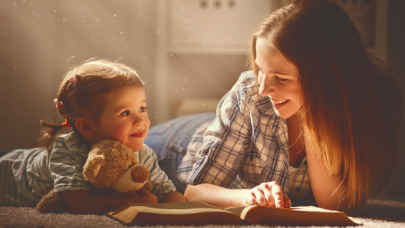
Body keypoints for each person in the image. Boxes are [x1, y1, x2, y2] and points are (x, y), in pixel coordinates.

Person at [145, 0, 402, 214]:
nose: (265, 89)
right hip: (175, 145)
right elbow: (195, 191)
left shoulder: (367, 106)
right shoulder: (250, 93)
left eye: (282, 78)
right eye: (261, 71)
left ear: (327, 79)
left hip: (226, 124)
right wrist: (248, 197)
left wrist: (313, 113)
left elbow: (334, 206)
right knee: (123, 155)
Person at [0, 59, 186, 214]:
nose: (140, 120)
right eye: (125, 113)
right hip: (9, 170)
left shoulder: (144, 154)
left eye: (142, 109)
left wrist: (183, 205)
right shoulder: (67, 149)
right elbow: (79, 204)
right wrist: (140, 202)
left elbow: (167, 192)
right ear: (86, 126)